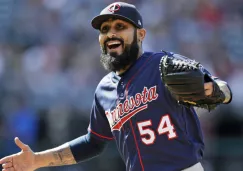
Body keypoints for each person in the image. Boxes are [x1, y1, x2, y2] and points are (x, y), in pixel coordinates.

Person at [0, 2, 232, 171]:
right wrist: (37, 160)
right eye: (104, 29)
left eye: (120, 26)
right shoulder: (104, 90)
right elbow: (93, 142)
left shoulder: (163, 65)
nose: (111, 33)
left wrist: (211, 90)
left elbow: (223, 90)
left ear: (140, 34)